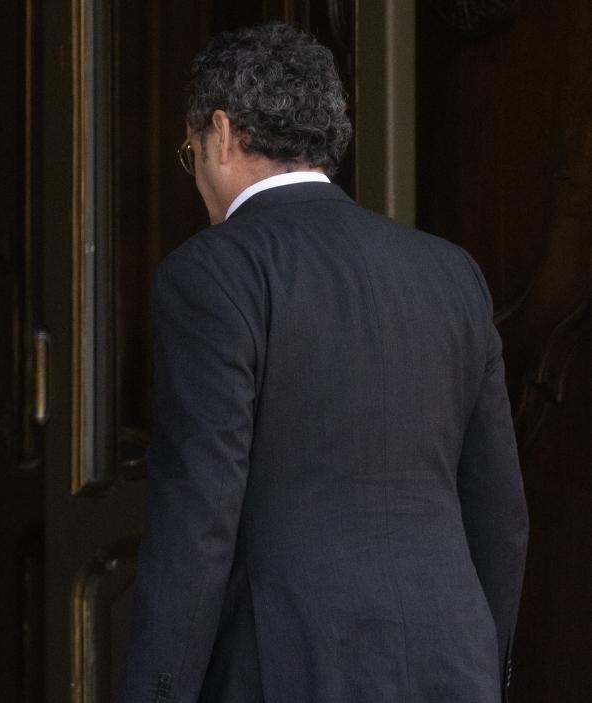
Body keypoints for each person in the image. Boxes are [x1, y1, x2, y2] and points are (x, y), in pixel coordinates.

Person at [119, 24, 528, 702]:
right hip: (451, 667)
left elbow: (199, 514)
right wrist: (479, 662)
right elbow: (499, 512)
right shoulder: (451, 274)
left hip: (286, 670)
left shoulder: (213, 273)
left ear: (220, 133)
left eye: (185, 151)